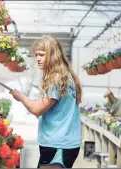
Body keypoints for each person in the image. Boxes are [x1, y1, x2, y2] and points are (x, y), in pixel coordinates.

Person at [10, 35, 82, 168]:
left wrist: (21, 97)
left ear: (53, 54)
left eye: (42, 55)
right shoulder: (66, 75)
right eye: (36, 55)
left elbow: (38, 109)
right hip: (62, 142)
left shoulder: (57, 78)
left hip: (58, 143)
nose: (37, 58)